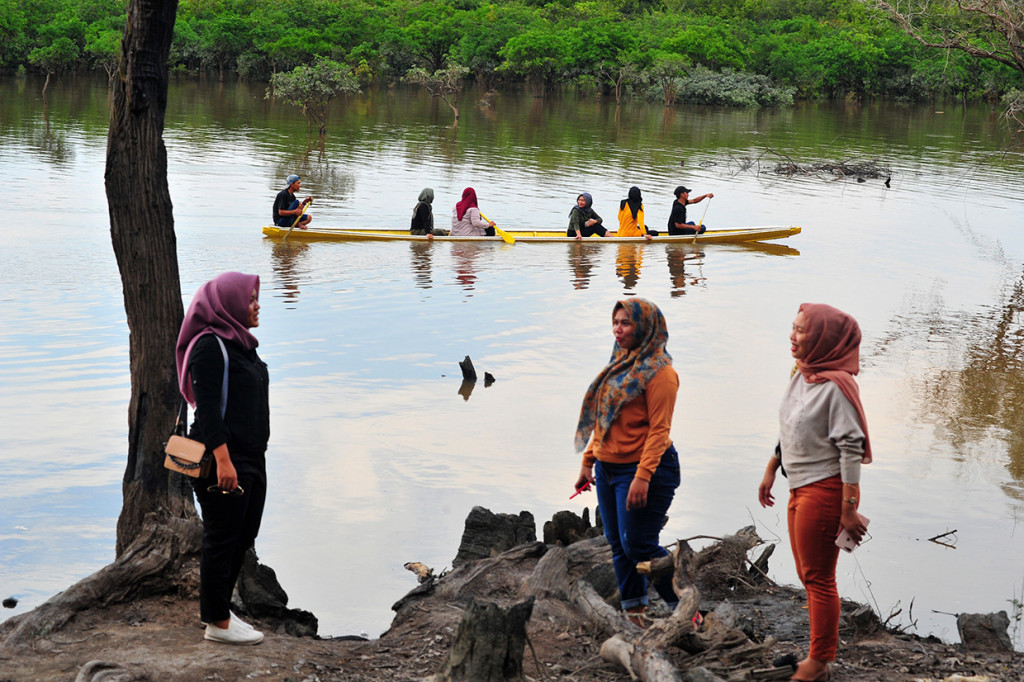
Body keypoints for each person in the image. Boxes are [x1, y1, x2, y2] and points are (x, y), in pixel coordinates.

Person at [758, 303, 871, 682]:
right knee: (808, 575)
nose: (793, 336)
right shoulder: (802, 374)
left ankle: (819, 662)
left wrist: (849, 508)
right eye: (792, 328)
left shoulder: (838, 386)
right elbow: (789, 427)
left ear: (822, 337)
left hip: (824, 490)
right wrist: (772, 468)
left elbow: (851, 448)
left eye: (801, 330)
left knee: (820, 578)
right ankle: (815, 652)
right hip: (797, 486)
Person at [176, 272, 270, 646]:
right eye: (250, 300)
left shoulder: (243, 345)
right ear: (228, 304)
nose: (257, 305)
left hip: (252, 456)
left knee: (243, 535)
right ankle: (216, 622)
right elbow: (208, 411)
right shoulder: (208, 347)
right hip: (222, 459)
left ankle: (223, 613)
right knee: (222, 536)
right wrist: (224, 460)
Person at [574, 299, 680, 627]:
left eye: (626, 323)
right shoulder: (618, 364)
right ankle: (635, 614)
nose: (617, 329)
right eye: (615, 322)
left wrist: (643, 476)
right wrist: (588, 462)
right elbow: (605, 418)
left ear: (645, 327)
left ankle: (686, 609)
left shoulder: (661, 373)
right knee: (618, 544)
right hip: (608, 468)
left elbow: (660, 431)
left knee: (639, 544)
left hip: (647, 468)